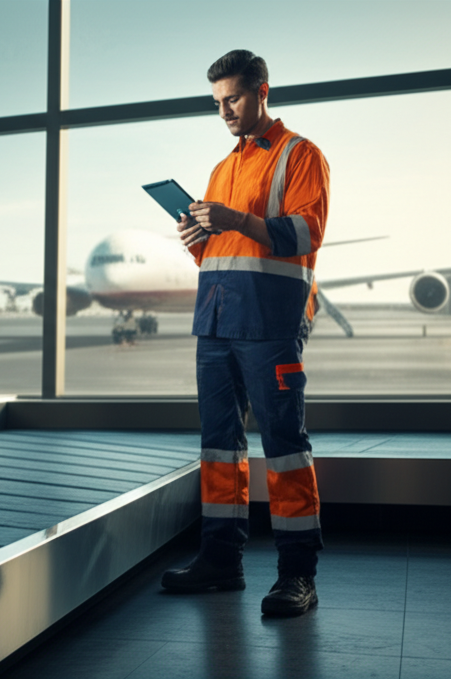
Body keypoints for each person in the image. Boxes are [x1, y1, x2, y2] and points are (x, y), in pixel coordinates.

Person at [160, 49, 330, 618]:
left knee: (283, 447)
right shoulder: (221, 168)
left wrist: (235, 221)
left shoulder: (300, 155)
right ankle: (220, 562)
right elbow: (226, 252)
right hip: (215, 321)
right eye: (217, 103)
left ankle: (297, 576)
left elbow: (305, 231)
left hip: (271, 325)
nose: (225, 111)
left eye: (232, 98)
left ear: (262, 90)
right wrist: (198, 241)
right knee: (218, 449)